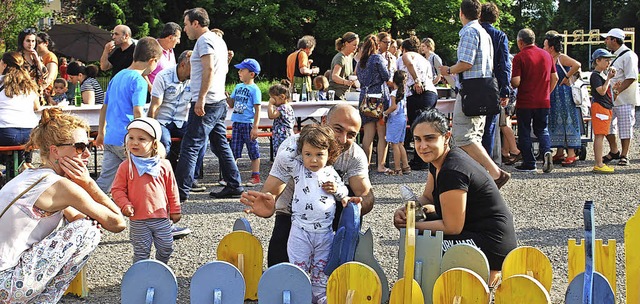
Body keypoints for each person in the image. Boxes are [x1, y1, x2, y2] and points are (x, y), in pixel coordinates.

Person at [0, 108, 126, 303]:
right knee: (88, 231)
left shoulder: (31, 176)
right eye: (79, 147)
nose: (86, 154)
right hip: (7, 285)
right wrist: (89, 183)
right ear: (55, 151)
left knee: (84, 224)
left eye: (88, 146)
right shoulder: (60, 186)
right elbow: (117, 223)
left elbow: (76, 215)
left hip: (5, 279)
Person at [393, 109, 517, 287]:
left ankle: (432, 287)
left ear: (446, 137)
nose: (422, 146)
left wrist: (410, 225)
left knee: (421, 239)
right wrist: (408, 210)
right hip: (479, 232)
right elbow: (428, 197)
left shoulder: (452, 170)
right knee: (424, 221)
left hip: (490, 243)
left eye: (430, 138)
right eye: (417, 139)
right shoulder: (438, 162)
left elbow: (452, 227)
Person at [241, 104, 374, 267]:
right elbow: (271, 191)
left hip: (328, 212)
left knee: (352, 195)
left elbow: (366, 194)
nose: (342, 139)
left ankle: (339, 263)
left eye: (351, 135)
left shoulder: (354, 154)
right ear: (324, 121)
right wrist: (269, 202)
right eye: (338, 129)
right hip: (293, 213)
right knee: (282, 270)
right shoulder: (292, 148)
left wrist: (356, 207)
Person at [285, 124, 360, 304]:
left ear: (329, 154)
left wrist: (340, 193)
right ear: (301, 153)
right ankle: (300, 293)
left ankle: (319, 295)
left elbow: (343, 193)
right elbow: (285, 157)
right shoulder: (298, 169)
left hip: (325, 232)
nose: (313, 160)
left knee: (321, 266)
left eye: (320, 154)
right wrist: (301, 138)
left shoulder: (330, 173)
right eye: (308, 154)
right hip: (300, 230)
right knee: (298, 264)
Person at [439, 0, 511, 187]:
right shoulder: (484, 32)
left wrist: (448, 70)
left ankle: (495, 173)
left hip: (471, 90)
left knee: (463, 138)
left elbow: (466, 63)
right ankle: (480, 177)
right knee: (475, 136)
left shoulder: (469, 32)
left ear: (461, 13)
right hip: (483, 89)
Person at [177, 7, 244, 200]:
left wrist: (201, 98)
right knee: (220, 144)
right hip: (218, 100)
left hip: (208, 102)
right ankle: (234, 184)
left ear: (196, 23)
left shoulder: (204, 40)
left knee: (190, 145)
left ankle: (180, 193)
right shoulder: (218, 40)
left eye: (186, 24)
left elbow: (209, 70)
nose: (185, 28)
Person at [95, 37, 163, 193]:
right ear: (152, 60)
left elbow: (104, 107)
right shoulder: (139, 81)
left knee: (106, 179)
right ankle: (146, 205)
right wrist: (147, 137)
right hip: (129, 138)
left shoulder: (117, 77)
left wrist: (101, 132)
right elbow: (138, 111)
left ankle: (91, 208)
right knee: (141, 174)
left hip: (111, 137)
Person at [111, 117, 182, 264]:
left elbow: (172, 189)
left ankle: (160, 268)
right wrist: (125, 204)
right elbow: (117, 190)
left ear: (154, 144)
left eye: (141, 139)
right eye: (131, 138)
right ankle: (140, 276)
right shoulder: (126, 166)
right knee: (141, 252)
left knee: (166, 247)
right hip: (138, 218)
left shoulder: (164, 165)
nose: (134, 142)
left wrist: (175, 209)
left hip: (161, 216)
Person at [510, 28, 558, 173]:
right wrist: (547, 92)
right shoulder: (546, 55)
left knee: (524, 131)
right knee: (542, 129)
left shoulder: (519, 57)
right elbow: (555, 77)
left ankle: (530, 163)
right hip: (543, 100)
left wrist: (511, 83)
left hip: (525, 101)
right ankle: (546, 152)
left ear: (520, 42)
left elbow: (516, 82)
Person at [543, 31, 583, 167]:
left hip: (564, 94)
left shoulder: (561, 57)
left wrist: (567, 78)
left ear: (551, 47)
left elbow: (577, 64)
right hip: (555, 94)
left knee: (567, 121)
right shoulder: (551, 58)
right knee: (556, 121)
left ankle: (571, 153)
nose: (543, 48)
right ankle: (560, 151)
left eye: (545, 46)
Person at [601, 28, 639, 166]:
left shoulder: (629, 55)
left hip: (624, 98)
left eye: (608, 38)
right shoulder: (613, 55)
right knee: (607, 126)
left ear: (614, 40)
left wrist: (617, 91)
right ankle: (614, 150)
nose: (606, 41)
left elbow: (631, 77)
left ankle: (625, 154)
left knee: (625, 126)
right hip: (610, 98)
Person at [400, 36, 438, 171]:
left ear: (403, 48)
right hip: (431, 92)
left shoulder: (406, 55)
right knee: (426, 125)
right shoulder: (424, 59)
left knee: (417, 126)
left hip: (418, 92)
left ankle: (421, 161)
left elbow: (408, 63)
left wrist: (416, 80)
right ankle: (425, 158)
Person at [480, 3, 512, 160]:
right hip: (493, 84)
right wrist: (505, 90)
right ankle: (486, 163)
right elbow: (504, 65)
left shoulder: (474, 32)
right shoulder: (500, 36)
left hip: (474, 84)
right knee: (489, 126)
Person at [0, 52, 40, 177]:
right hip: (30, 134)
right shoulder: (29, 84)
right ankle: (23, 165)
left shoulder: (1, 82)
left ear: (5, 64)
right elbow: (37, 106)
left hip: (6, 132)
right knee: (17, 145)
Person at [357, 34, 391, 174]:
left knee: (368, 134)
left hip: (365, 98)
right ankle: (381, 165)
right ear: (377, 46)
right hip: (379, 98)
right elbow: (386, 76)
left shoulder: (360, 62)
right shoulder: (377, 58)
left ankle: (364, 166)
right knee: (382, 133)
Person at [228, 58, 262, 187]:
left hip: (248, 123)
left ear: (251, 74)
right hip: (237, 122)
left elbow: (258, 108)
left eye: (242, 70)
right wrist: (227, 97)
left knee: (253, 150)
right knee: (234, 150)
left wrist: (255, 127)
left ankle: (256, 176)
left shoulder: (255, 89)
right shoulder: (238, 87)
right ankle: (232, 176)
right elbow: (231, 104)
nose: (239, 72)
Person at [589, 49, 617, 173]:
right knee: (599, 136)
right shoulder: (595, 75)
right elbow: (601, 91)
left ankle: (599, 163)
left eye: (609, 60)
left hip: (604, 106)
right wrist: (609, 79)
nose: (608, 63)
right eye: (606, 60)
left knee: (601, 135)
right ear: (597, 61)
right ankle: (599, 163)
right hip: (600, 107)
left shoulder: (601, 75)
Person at [383, 70, 410, 175]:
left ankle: (398, 168)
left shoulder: (394, 93)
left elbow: (393, 107)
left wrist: (385, 113)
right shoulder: (403, 92)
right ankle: (406, 166)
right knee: (400, 144)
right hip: (403, 118)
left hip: (395, 119)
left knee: (394, 145)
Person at [146, 22, 182, 91]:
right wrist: (151, 89)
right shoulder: (151, 48)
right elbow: (142, 71)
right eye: (178, 38)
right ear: (170, 37)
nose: (179, 42)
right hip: (153, 96)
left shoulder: (170, 50)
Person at [17, 28, 47, 105]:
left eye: (33, 41)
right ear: (22, 42)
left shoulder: (38, 57)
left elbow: (45, 74)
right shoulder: (17, 57)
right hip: (22, 94)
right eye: (28, 41)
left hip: (37, 94)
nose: (31, 44)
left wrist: (37, 60)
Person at [327, 32, 360, 99]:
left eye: (357, 45)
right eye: (354, 45)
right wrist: (346, 82)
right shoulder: (340, 58)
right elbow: (334, 76)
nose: (356, 47)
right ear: (346, 44)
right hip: (336, 94)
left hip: (345, 94)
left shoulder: (350, 56)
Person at [267, 80, 295, 156]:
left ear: (282, 97)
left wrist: (270, 104)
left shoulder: (283, 108)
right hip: (283, 134)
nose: (272, 100)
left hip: (283, 136)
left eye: (273, 98)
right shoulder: (287, 106)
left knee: (282, 154)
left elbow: (271, 116)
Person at [36, 32, 58, 105]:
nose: (35, 45)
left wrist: (40, 90)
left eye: (38, 42)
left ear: (46, 43)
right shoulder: (37, 57)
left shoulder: (50, 56)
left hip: (48, 95)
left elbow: (50, 77)